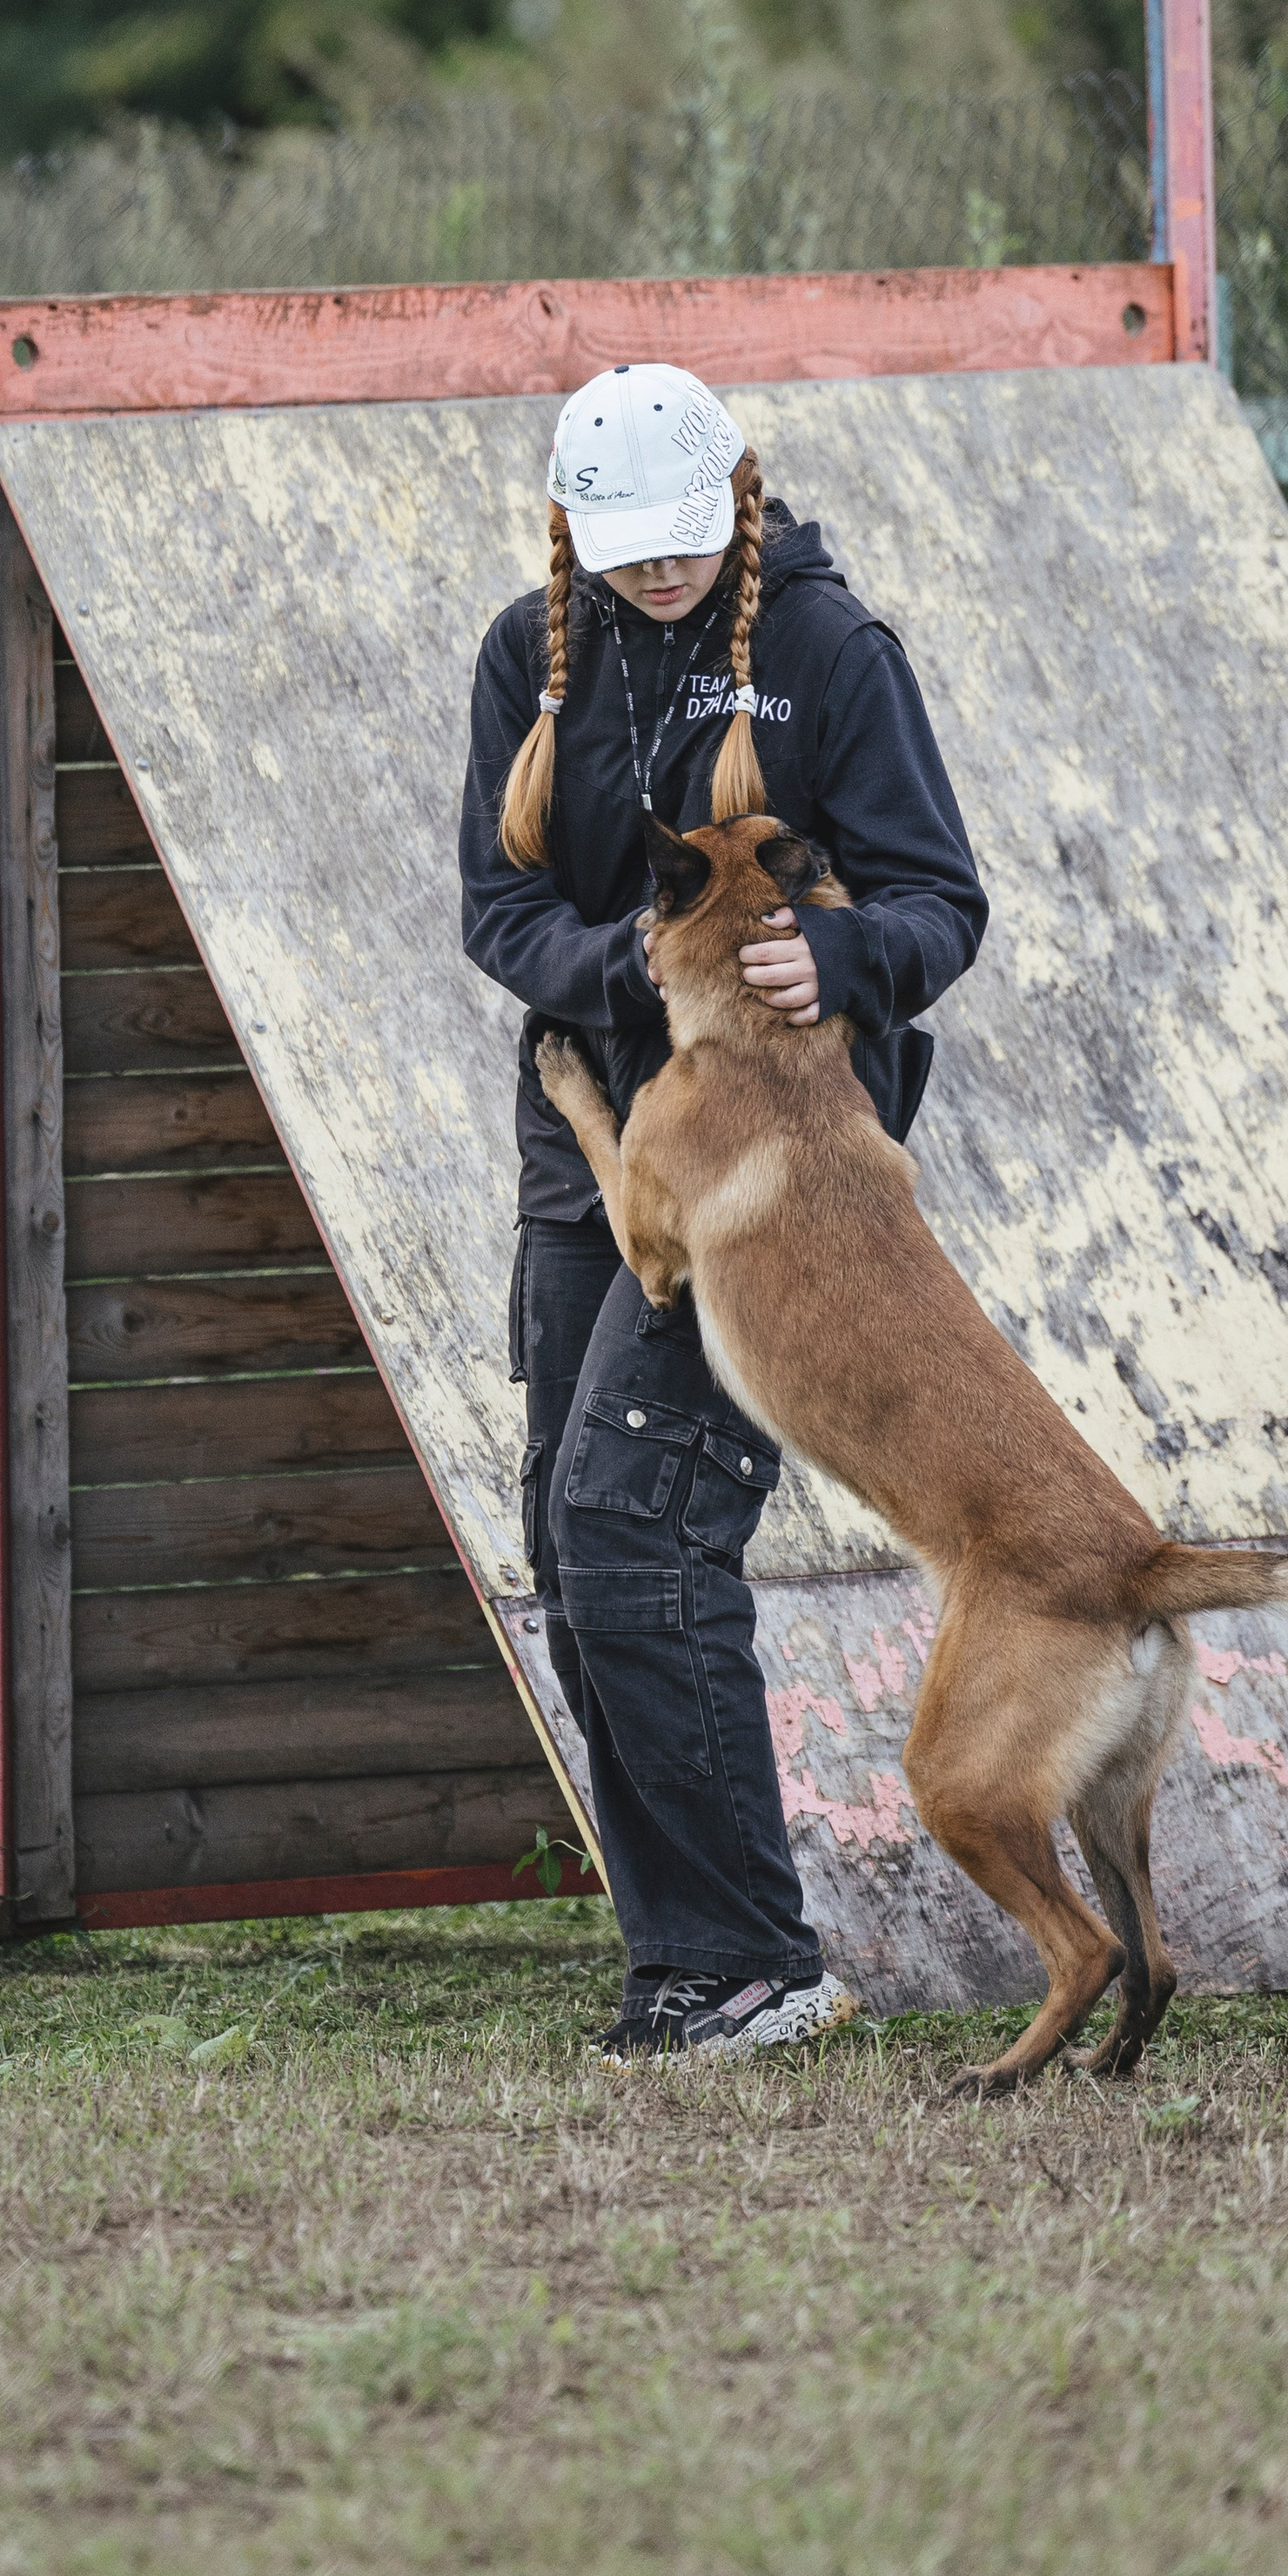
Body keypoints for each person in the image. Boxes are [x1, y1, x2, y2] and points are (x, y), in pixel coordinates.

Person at [460, 363, 989, 2061]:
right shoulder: (519, 661)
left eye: (681, 542)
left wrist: (842, 952)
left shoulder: (833, 652)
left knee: (634, 1511)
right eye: (623, 549)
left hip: (776, 1149)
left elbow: (939, 901)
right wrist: (625, 965)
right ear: (574, 530)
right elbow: (498, 908)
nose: (655, 573)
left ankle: (757, 1963)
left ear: (732, 504)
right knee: (569, 1529)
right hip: (599, 1133)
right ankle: (683, 1961)